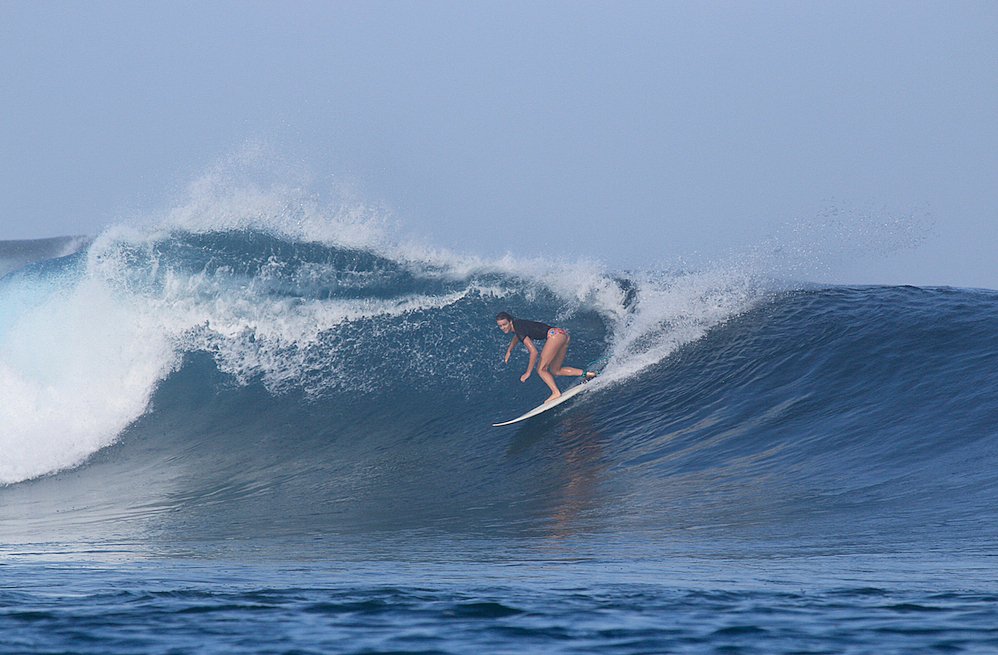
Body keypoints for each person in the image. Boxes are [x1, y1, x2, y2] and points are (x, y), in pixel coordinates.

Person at [496, 311, 597, 403]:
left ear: (510, 322)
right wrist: (509, 350)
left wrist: (528, 372)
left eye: (505, 324)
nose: (503, 327)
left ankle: (556, 392)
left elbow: (534, 352)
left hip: (555, 336)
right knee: (555, 370)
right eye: (500, 326)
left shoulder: (518, 329)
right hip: (562, 335)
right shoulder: (518, 325)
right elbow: (517, 336)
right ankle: (588, 374)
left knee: (541, 369)